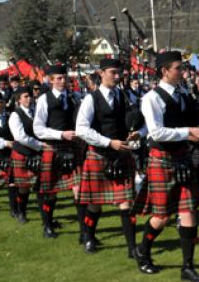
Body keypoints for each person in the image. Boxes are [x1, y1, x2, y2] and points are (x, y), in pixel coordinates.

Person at [133, 51, 199, 282]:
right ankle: (143, 250)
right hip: (162, 159)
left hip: (182, 157)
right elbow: (156, 131)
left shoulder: (182, 93)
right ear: (164, 71)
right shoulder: (151, 98)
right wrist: (189, 132)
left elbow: (188, 119)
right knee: (162, 216)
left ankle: (187, 267)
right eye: (178, 68)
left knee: (188, 212)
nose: (183, 72)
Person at [75, 57, 145, 256]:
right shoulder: (91, 98)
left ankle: (132, 248)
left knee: (126, 203)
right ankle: (89, 236)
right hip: (99, 154)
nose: (117, 76)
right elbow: (81, 129)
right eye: (113, 73)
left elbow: (135, 120)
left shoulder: (124, 96)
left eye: (118, 72)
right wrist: (108, 142)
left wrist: (135, 132)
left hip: (122, 154)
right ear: (101, 73)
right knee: (95, 203)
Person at [33, 64, 82, 239]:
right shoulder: (44, 100)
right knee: (50, 193)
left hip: (73, 148)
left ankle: (85, 232)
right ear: (50, 80)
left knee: (79, 190)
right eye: (59, 78)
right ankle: (47, 226)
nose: (63, 81)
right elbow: (38, 129)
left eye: (65, 78)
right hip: (53, 148)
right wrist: (61, 134)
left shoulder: (75, 97)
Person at [8, 87, 42, 223]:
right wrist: (39, 145)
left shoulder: (37, 112)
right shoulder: (15, 115)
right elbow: (20, 136)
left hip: (37, 152)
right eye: (26, 97)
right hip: (22, 152)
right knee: (24, 186)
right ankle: (21, 212)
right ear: (18, 99)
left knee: (42, 184)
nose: (29, 99)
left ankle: (46, 216)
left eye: (30, 96)